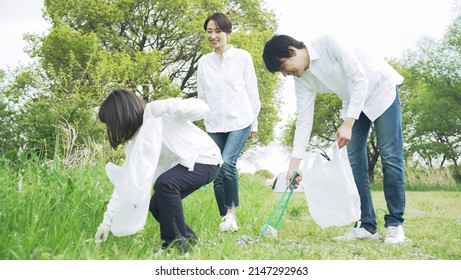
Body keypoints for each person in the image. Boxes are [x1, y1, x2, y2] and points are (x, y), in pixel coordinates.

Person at [262, 34, 406, 244]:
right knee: (354, 161)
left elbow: (359, 80)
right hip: (353, 102)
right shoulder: (301, 79)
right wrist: (293, 166)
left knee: (390, 156)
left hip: (379, 91)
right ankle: (366, 225)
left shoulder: (330, 44)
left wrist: (347, 124)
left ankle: (395, 224)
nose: (285, 74)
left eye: (283, 67)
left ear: (293, 50)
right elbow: (304, 120)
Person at [94, 89, 223, 255]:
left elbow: (202, 107)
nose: (113, 129)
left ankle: (175, 247)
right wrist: (106, 222)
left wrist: (166, 105)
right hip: (186, 168)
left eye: (112, 124)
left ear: (122, 117)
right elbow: (123, 186)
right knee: (155, 205)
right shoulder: (134, 148)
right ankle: (188, 240)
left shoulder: (159, 114)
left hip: (206, 160)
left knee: (165, 184)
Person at [197, 12, 261, 232]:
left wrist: (254, 123)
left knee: (227, 162)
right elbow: (202, 96)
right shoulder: (204, 63)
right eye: (209, 31)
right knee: (216, 170)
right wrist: (202, 124)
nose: (213, 36)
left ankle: (232, 214)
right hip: (214, 123)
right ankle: (225, 218)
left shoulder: (243, 57)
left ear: (228, 33)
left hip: (240, 120)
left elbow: (252, 92)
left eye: (218, 31)